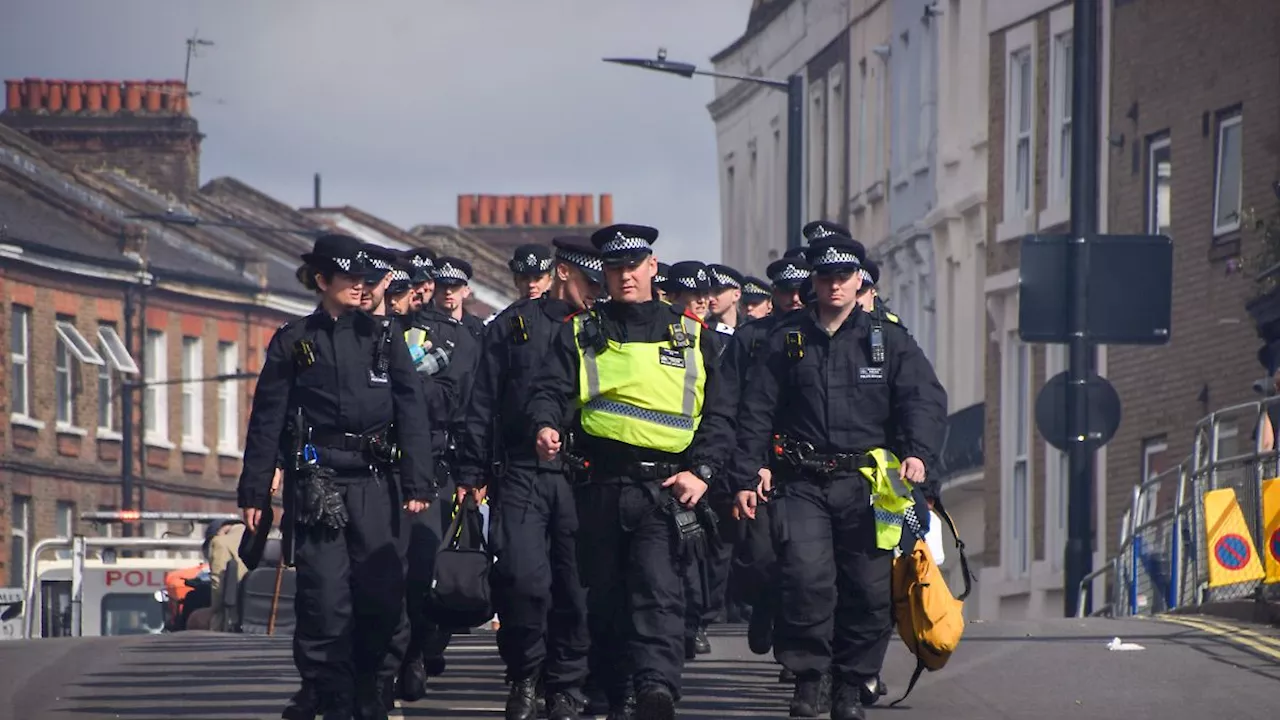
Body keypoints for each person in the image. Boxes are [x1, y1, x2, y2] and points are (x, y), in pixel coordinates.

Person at [730, 231, 947, 720]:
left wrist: (918, 457)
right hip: (801, 482)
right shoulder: (787, 339)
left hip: (867, 486)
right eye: (825, 276)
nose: (834, 285)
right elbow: (755, 411)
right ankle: (812, 678)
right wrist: (746, 474)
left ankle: (852, 683)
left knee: (869, 591)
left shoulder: (887, 338)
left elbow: (923, 401)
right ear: (814, 281)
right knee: (806, 580)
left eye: (843, 276)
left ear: (858, 281)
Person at [525, 223, 736, 719]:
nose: (624, 276)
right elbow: (548, 391)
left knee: (658, 592)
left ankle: (655, 690)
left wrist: (701, 471)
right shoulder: (581, 331)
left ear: (651, 268)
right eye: (615, 268)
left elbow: (722, 415)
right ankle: (615, 690)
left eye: (633, 267)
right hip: (598, 485)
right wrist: (545, 424)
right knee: (604, 599)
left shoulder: (691, 335)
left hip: (665, 488)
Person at [238, 233, 437, 720]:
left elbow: (411, 409)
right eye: (347, 277)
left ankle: (372, 683)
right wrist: (255, 490)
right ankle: (328, 691)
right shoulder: (295, 341)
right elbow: (267, 418)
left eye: (362, 277)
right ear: (322, 280)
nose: (358, 285)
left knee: (380, 594)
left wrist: (417, 479)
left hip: (376, 483)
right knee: (324, 599)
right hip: (317, 483)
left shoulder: (384, 338)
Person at [456, 237, 604, 720]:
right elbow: (481, 401)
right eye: (590, 281)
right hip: (520, 472)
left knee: (575, 588)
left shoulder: (603, 327)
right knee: (522, 580)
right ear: (564, 273)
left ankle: (565, 684)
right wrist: (472, 471)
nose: (597, 291)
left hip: (584, 477)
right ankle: (524, 673)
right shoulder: (512, 326)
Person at [724, 254, 812, 671]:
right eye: (785, 291)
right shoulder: (750, 339)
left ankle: (803, 659)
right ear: (773, 294)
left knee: (806, 565)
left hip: (805, 467)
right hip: (758, 461)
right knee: (759, 558)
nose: (794, 299)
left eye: (800, 290)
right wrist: (749, 465)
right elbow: (735, 406)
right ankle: (764, 603)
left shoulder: (821, 336)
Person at [434, 256, 488, 343]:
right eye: (442, 286)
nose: (448, 291)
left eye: (454, 286)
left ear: (466, 291)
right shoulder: (421, 322)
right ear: (434, 288)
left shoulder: (480, 330)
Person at [707, 264, 745, 331]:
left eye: (717, 291)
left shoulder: (750, 329)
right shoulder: (703, 330)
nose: (710, 298)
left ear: (736, 295)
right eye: (707, 293)